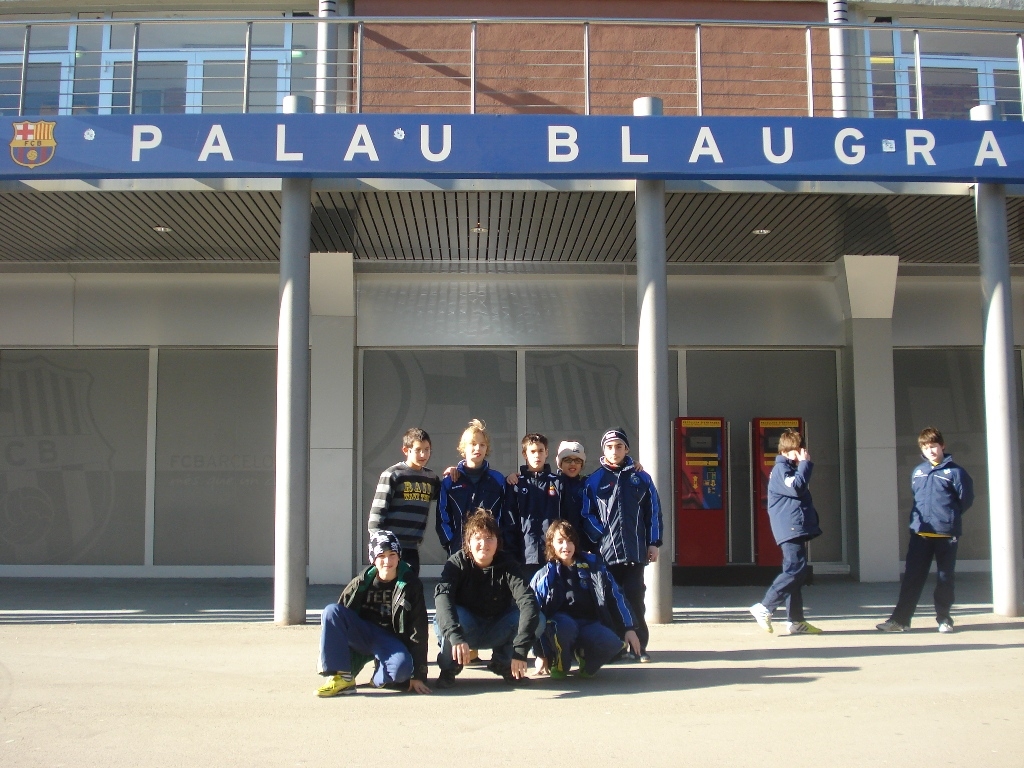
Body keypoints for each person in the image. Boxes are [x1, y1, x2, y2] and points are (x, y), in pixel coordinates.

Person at [877, 427, 975, 634]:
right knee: (912, 578)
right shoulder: (918, 471)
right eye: (926, 447)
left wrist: (948, 518)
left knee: (945, 579)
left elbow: (966, 500)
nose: (930, 451)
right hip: (920, 535)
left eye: (934, 446)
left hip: (946, 535)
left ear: (942, 446)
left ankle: (944, 619)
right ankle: (900, 620)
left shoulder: (956, 473)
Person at [433, 509, 540, 689]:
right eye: (478, 538)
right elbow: (442, 598)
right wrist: (455, 636)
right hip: (465, 629)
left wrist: (521, 649)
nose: (484, 544)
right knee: (448, 615)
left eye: (490, 538)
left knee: (538, 619)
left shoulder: (508, 564)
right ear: (468, 542)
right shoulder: (456, 563)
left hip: (497, 627)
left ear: (498, 542)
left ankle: (503, 663)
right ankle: (449, 668)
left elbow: (528, 601)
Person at [317, 530, 431, 697]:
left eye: (392, 554)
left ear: (399, 556)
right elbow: (338, 623)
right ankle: (342, 677)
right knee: (331, 611)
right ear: (373, 559)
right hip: (362, 634)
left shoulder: (411, 584)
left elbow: (418, 629)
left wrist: (417, 675)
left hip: (390, 640)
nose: (387, 561)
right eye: (381, 556)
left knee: (401, 672)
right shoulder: (360, 583)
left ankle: (378, 677)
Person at [582, 427, 662, 662]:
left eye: (619, 446)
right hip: (606, 555)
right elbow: (587, 514)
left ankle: (639, 647)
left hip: (635, 552)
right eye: (609, 447)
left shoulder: (641, 478)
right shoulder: (594, 480)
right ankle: (615, 647)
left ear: (626, 449)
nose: (614, 451)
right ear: (603, 450)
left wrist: (654, 543)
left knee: (635, 598)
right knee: (608, 600)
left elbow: (653, 512)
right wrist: (601, 536)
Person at [531, 520, 641, 679]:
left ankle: (586, 661)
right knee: (564, 627)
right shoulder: (544, 575)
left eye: (569, 541)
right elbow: (532, 615)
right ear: (551, 545)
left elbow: (616, 596)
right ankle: (560, 663)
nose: (565, 546)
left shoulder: (594, 567)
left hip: (588, 623)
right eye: (560, 541)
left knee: (612, 643)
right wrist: (540, 654)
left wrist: (629, 628)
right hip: (561, 625)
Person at [749, 428, 823, 635]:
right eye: (796, 450)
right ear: (786, 451)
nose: (800, 454)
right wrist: (805, 464)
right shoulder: (782, 470)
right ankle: (765, 606)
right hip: (789, 527)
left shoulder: (789, 469)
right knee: (796, 570)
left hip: (794, 526)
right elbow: (797, 488)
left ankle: (796, 620)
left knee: (796, 574)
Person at [367, 427, 440, 576]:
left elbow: (445, 495)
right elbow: (376, 514)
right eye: (418, 449)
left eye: (427, 450)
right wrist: (382, 548)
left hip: (412, 548)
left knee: (409, 591)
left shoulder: (431, 478)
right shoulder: (393, 474)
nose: (423, 454)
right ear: (406, 450)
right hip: (390, 548)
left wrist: (454, 472)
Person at [436, 419, 507, 557]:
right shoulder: (450, 481)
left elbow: (503, 515)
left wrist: (496, 540)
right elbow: (442, 515)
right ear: (463, 448)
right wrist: (450, 541)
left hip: (488, 550)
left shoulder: (498, 480)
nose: (477, 449)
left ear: (487, 449)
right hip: (458, 549)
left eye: (482, 445)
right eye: (473, 444)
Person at [502, 433, 562, 581]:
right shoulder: (515, 484)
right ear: (524, 454)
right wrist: (511, 554)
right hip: (524, 556)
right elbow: (509, 522)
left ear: (547, 452)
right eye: (532, 451)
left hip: (552, 555)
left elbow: (566, 519)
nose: (537, 455)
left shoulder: (558, 483)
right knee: (527, 599)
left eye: (541, 451)